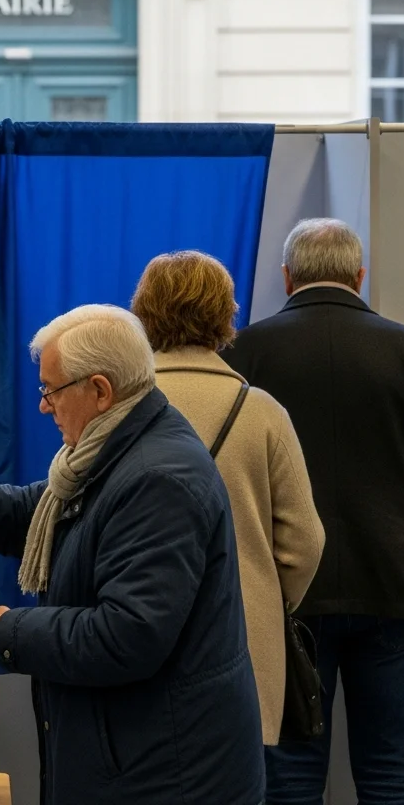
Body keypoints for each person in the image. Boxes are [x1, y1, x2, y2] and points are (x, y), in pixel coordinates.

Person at [0, 304, 266, 805]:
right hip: (138, 754)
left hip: (168, 774)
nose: (44, 407)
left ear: (100, 390)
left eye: (51, 390)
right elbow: (33, 512)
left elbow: (128, 635)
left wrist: (11, 632)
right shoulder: (115, 450)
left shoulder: (158, 479)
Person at [222, 219, 404, 805]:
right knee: (388, 774)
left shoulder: (243, 351)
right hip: (393, 591)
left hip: (288, 595)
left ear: (288, 277)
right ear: (359, 276)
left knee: (290, 779)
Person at [131, 250, 325, 745]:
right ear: (225, 315)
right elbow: (305, 541)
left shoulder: (116, 406)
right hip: (242, 640)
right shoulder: (262, 412)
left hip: (134, 633)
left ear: (143, 313)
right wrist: (263, 593)